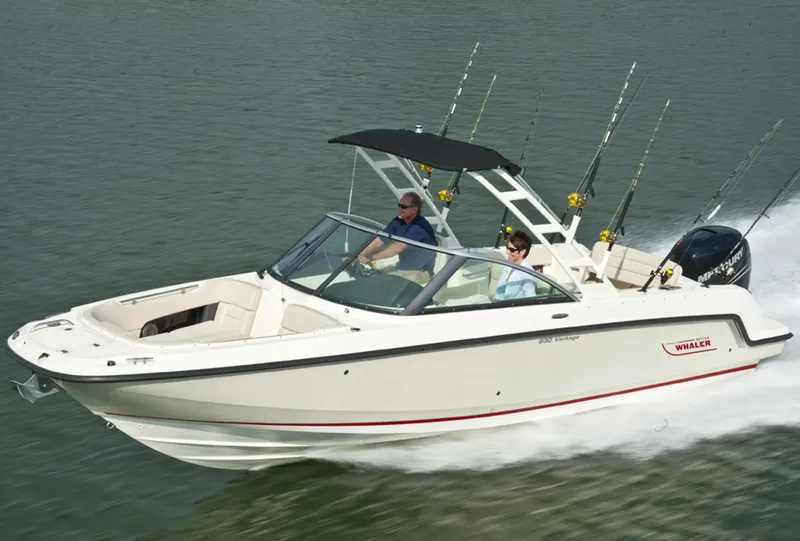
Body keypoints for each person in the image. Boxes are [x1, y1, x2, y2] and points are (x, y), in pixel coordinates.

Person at [358, 191, 438, 284]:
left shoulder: (420, 226)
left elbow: (397, 248)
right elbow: (379, 240)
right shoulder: (398, 221)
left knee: (381, 282)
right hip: (402, 267)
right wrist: (358, 255)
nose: (400, 208)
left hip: (420, 272)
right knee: (369, 275)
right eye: (399, 205)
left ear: (414, 210)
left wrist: (371, 258)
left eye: (404, 206)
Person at [493, 230, 537, 301]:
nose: (507, 252)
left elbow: (531, 299)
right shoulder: (509, 265)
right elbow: (499, 292)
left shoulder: (528, 274)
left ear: (522, 252)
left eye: (511, 250)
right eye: (507, 248)